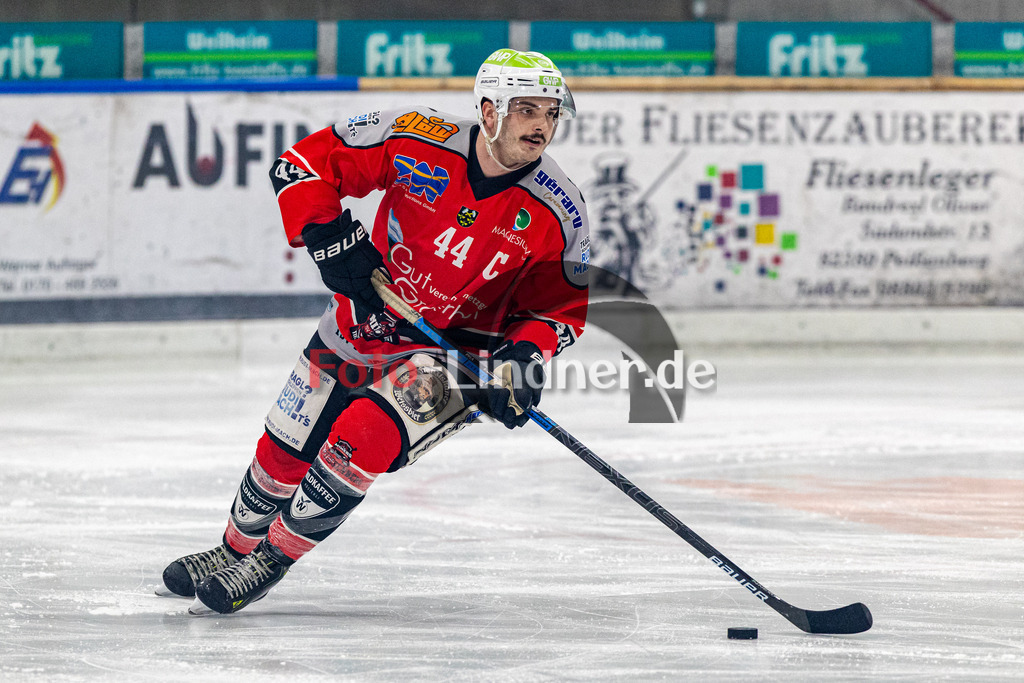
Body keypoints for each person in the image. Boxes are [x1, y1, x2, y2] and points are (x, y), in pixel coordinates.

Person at [159, 49, 590, 615]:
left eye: (550, 112)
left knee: (360, 435)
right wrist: (331, 238)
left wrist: (521, 360)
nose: (541, 124)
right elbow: (302, 165)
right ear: (488, 110)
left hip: (454, 359)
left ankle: (270, 561)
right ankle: (232, 548)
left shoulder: (559, 212)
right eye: (526, 109)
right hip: (364, 322)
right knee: (283, 449)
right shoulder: (418, 137)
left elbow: (559, 311)